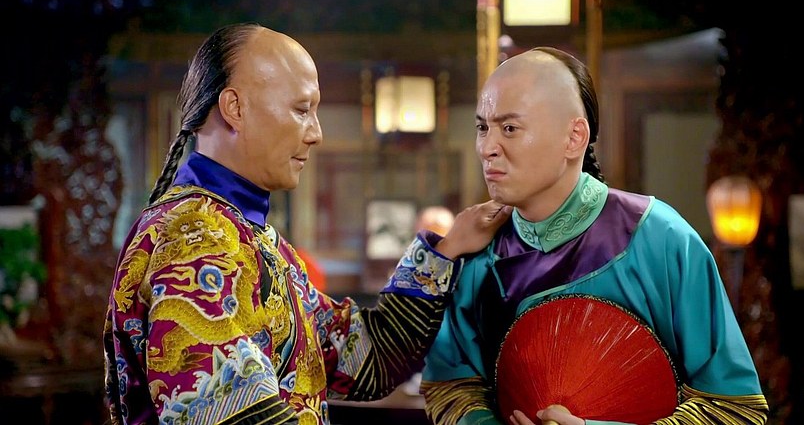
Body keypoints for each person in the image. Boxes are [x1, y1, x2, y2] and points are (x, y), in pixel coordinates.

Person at [102, 22, 512, 425]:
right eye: (302, 110)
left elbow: (366, 358)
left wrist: (445, 250)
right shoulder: (195, 238)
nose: (316, 133)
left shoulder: (247, 234)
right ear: (235, 108)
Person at [420, 47, 769, 425]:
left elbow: (734, 407)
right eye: (482, 128)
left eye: (509, 129)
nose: (488, 148)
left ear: (574, 137)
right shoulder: (477, 249)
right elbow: (451, 388)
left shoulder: (659, 238)